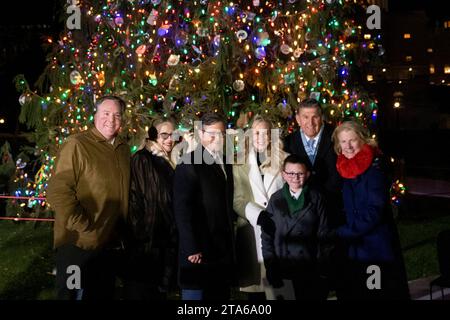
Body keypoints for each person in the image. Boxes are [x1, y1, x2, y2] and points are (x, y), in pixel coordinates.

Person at [47, 95, 130, 300]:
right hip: (77, 245)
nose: (111, 120)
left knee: (100, 294)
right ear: (95, 115)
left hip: (108, 245)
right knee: (72, 295)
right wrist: (83, 226)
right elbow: (58, 191)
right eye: (106, 113)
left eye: (117, 115)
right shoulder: (77, 145)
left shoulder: (123, 149)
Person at [331, 120, 410, 300]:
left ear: (363, 140)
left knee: (376, 293)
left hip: (375, 248)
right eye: (343, 142)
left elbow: (374, 211)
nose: (348, 146)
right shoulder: (345, 168)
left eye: (352, 140)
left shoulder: (374, 169)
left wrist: (344, 232)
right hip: (356, 247)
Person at [173, 113, 236, 300]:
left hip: (221, 250)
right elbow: (182, 209)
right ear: (200, 134)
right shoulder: (189, 163)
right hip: (198, 252)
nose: (219, 138)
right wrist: (191, 247)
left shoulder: (225, 161)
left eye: (222, 133)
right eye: (212, 134)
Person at [284, 98, 344, 295]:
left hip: (332, 216)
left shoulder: (336, 138)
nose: (311, 123)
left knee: (333, 277)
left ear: (322, 118)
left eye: (315, 117)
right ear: (298, 119)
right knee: (304, 283)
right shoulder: (288, 142)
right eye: (306, 117)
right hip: (302, 221)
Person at [233, 115, 288, 300]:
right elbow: (237, 199)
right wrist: (259, 215)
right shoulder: (238, 162)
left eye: (265, 133)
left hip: (280, 232)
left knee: (280, 292)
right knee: (256, 295)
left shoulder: (285, 160)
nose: (261, 137)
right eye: (256, 132)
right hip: (251, 232)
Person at [123, 118, 178, 300]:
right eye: (164, 135)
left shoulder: (171, 162)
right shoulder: (143, 159)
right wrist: (141, 238)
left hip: (164, 245)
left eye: (173, 135)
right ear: (153, 135)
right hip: (146, 248)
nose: (170, 140)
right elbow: (135, 201)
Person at [261, 154, 329, 300]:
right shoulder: (275, 199)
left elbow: (324, 234)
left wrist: (322, 267)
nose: (295, 177)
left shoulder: (316, 198)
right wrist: (271, 266)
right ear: (283, 175)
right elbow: (267, 236)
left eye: (300, 173)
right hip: (282, 268)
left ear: (308, 174)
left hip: (310, 269)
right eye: (290, 173)